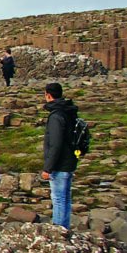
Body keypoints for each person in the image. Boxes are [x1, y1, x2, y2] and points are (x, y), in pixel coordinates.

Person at [42, 82, 78, 230]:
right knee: (65, 198)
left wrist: (48, 168)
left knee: (58, 199)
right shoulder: (68, 111)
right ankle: (65, 228)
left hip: (61, 164)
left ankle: (59, 229)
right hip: (69, 161)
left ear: (48, 95)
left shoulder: (56, 116)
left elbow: (56, 144)